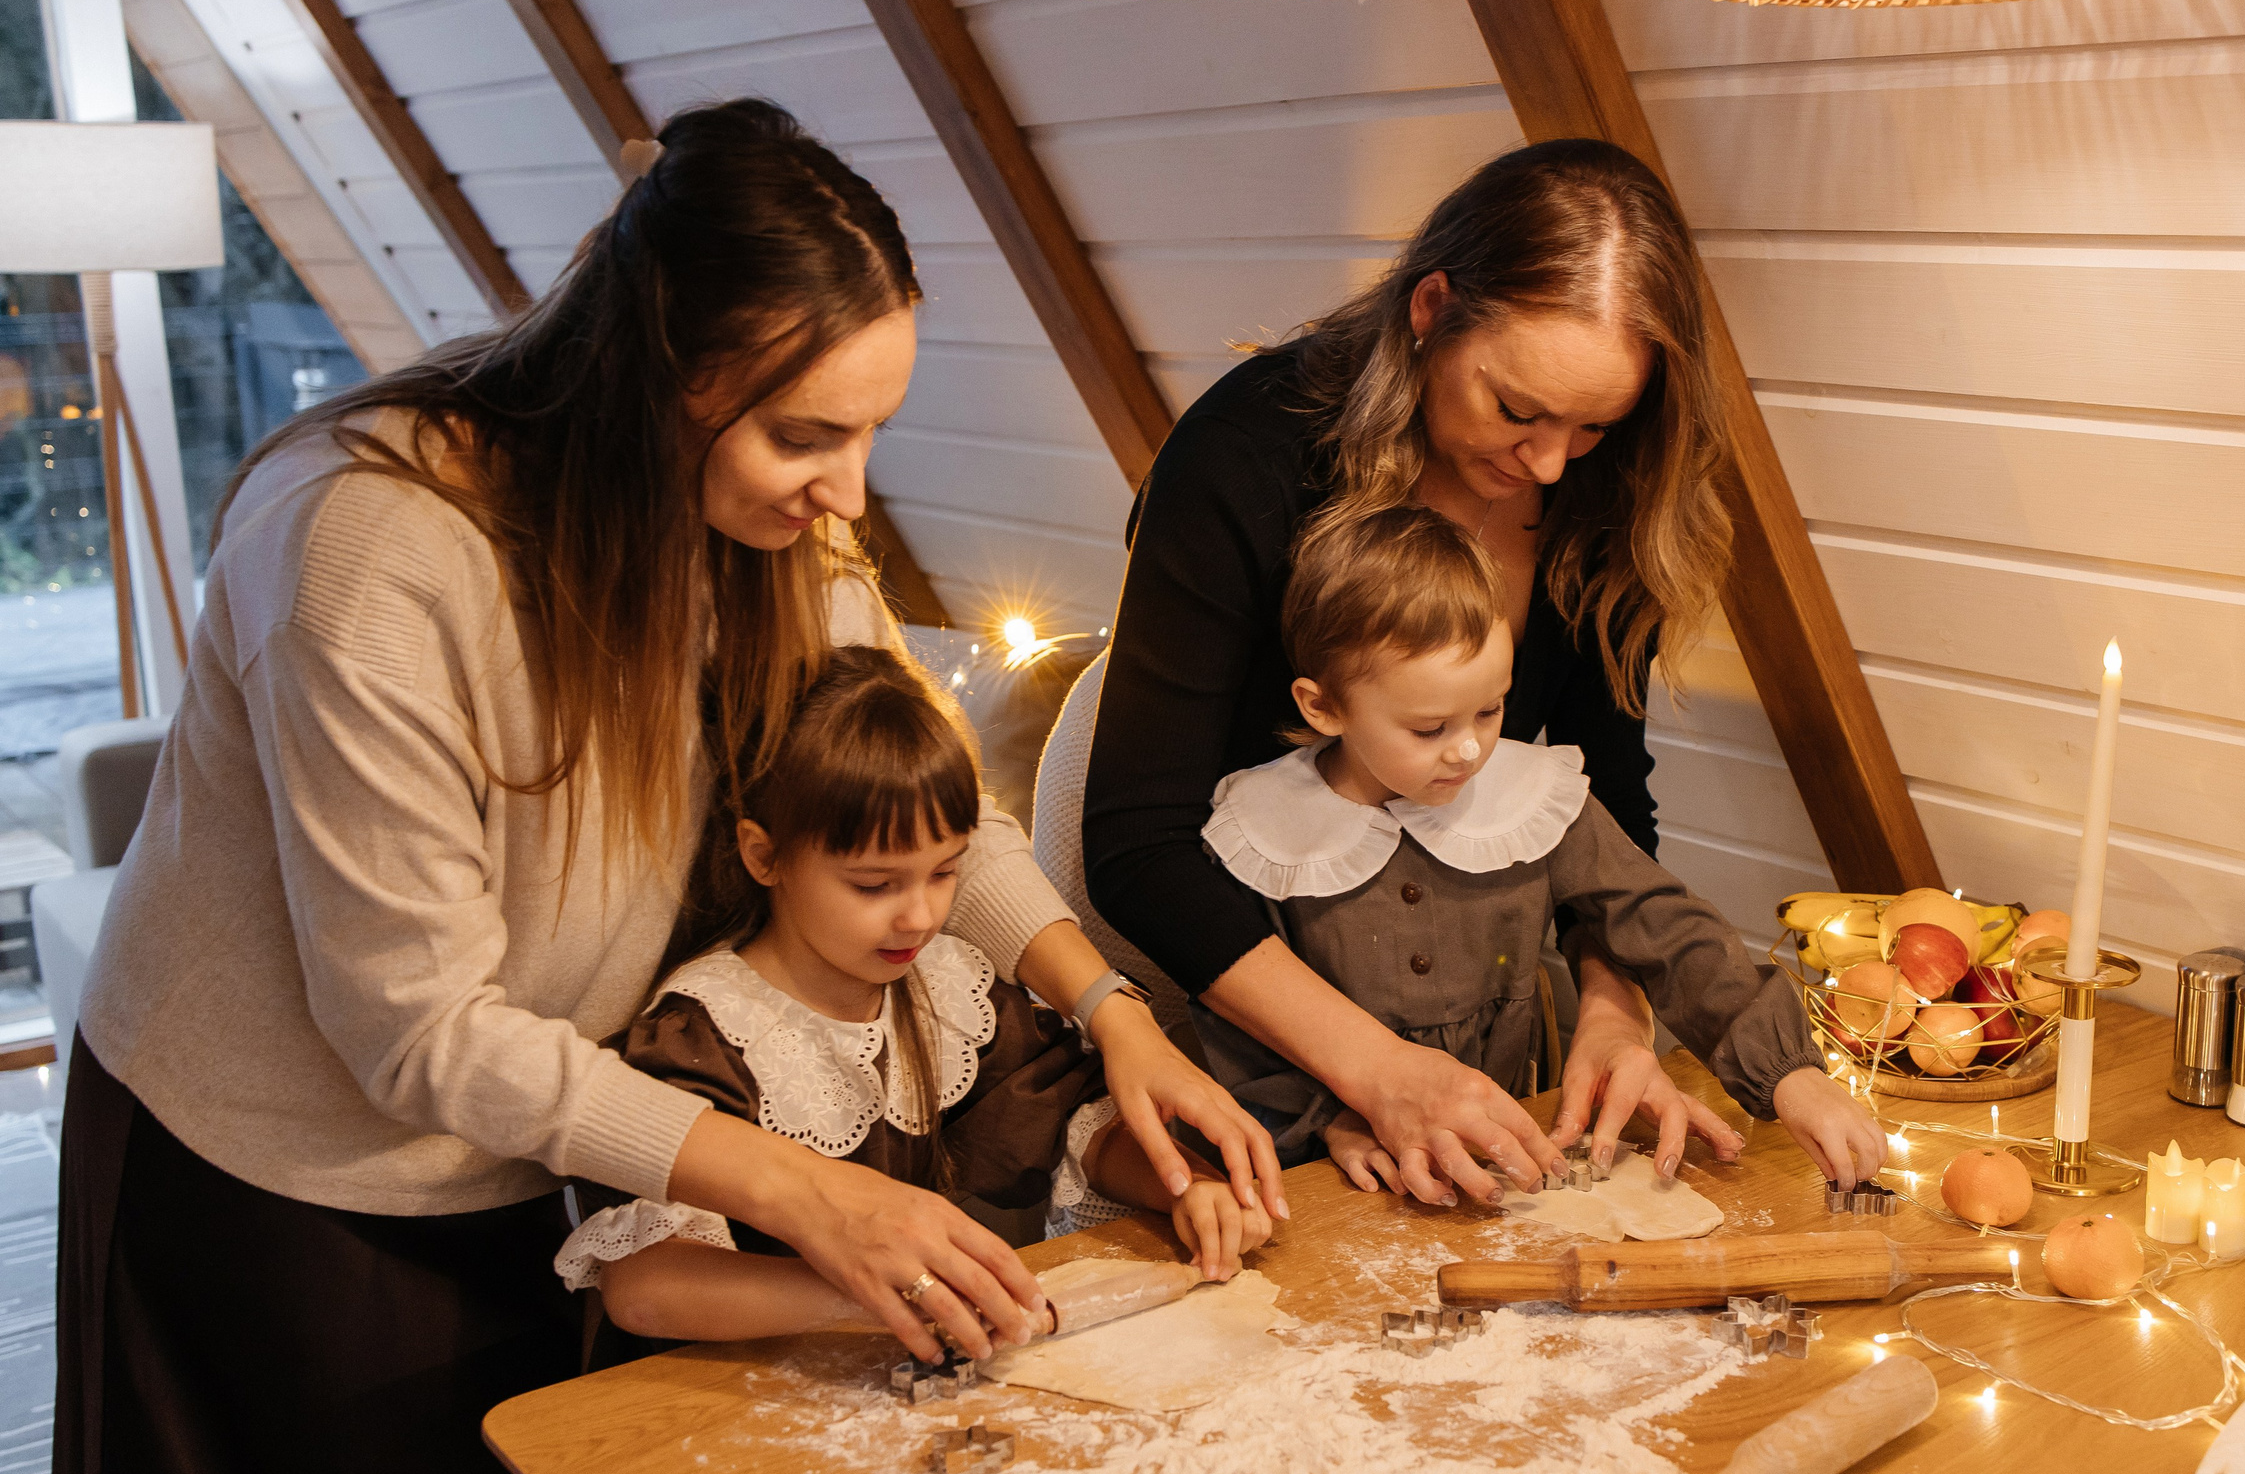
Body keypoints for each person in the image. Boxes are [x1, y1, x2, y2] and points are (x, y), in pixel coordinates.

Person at [50, 98, 1279, 1474]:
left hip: (542, 1139)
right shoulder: (370, 549)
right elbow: (414, 1030)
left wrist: (1113, 1013)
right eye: (805, 434)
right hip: (271, 1181)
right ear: (651, 381)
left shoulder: (763, 535)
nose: (848, 490)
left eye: (873, 427)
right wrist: (808, 1192)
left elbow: (943, 824)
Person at [1083, 137, 1887, 1205]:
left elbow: (1603, 808)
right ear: (1428, 313)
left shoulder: (1601, 504)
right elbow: (1140, 846)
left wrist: (1613, 1014)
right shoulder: (1248, 457)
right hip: (1249, 1042)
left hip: (1471, 1073)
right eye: (1516, 410)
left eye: (1593, 425)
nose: (1548, 464)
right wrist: (1364, 1078)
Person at [560, 645, 1271, 1373]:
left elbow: (1072, 1121)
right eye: (874, 885)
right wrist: (895, 1296)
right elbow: (647, 1288)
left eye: (945, 872)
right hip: (709, 1404)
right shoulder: (700, 1034)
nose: (920, 916)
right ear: (763, 854)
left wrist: (1187, 1186)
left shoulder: (947, 994)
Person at [1195, 504, 1877, 1193]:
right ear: (1324, 708)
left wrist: (1790, 1073)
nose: (1468, 749)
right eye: (1429, 726)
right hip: (1330, 1176)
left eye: (1490, 709)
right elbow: (1238, 1021)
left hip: (1504, 1160)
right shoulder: (1260, 830)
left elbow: (1670, 930)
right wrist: (1328, 1118)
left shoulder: (1534, 797)